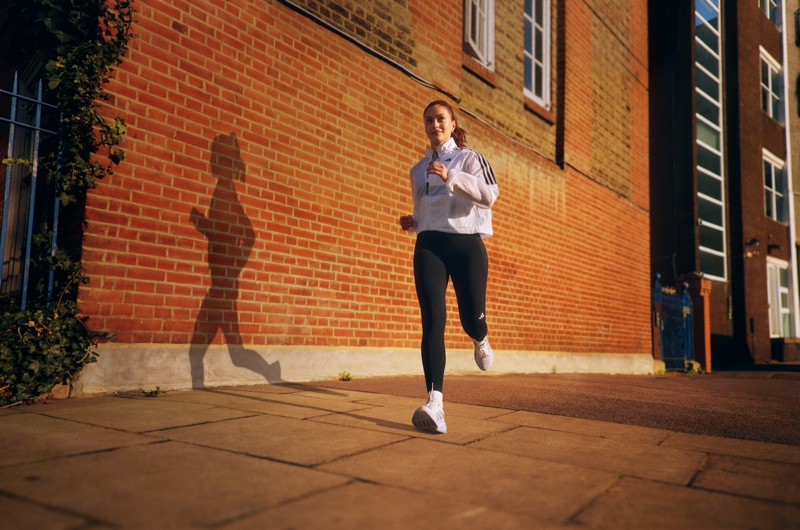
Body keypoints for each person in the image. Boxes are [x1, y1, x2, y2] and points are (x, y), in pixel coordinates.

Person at [398, 100, 499, 434]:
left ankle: (480, 337)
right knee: (432, 320)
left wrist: (451, 175)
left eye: (440, 119)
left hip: (466, 244)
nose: (434, 125)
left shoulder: (471, 159)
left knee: (470, 318)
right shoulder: (418, 169)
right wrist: (414, 221)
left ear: (453, 124)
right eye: (428, 120)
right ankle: (435, 404)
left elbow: (490, 195)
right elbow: (428, 210)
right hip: (429, 245)